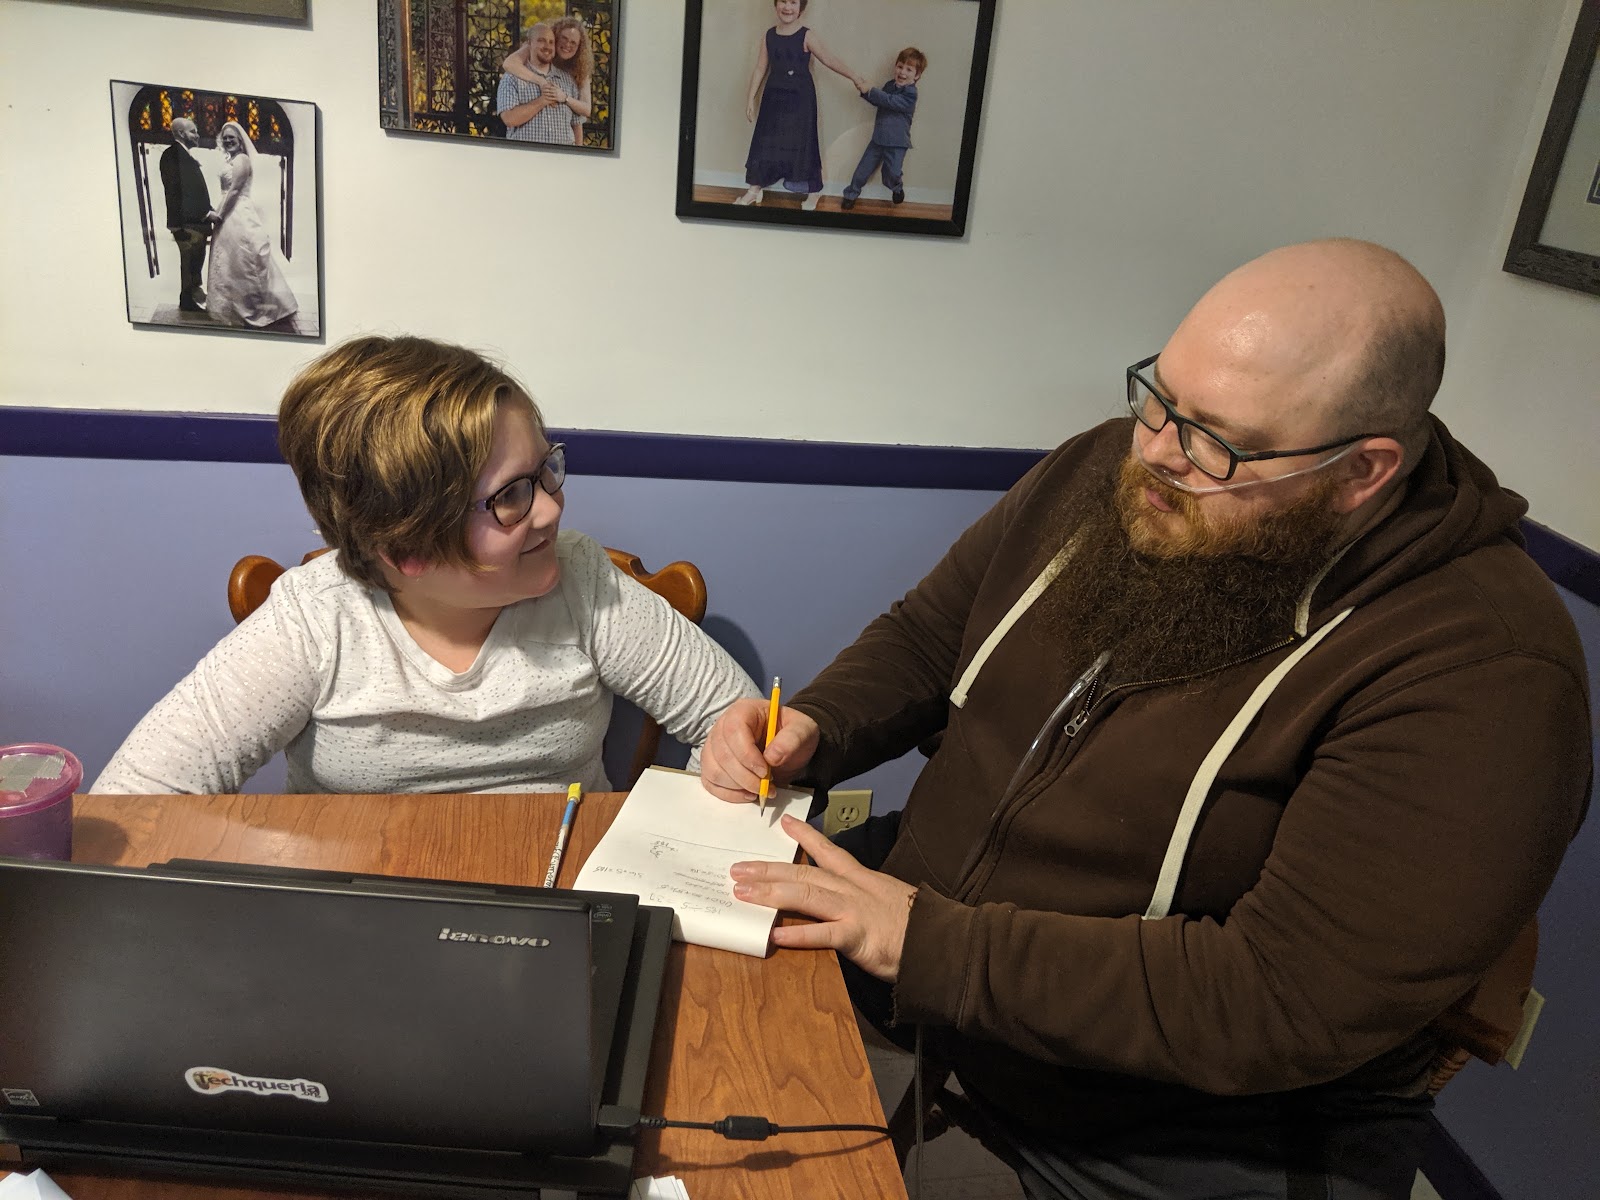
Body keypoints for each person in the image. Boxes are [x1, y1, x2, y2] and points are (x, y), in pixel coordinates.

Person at [700, 240, 1592, 1198]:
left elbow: (1281, 997)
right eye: (1157, 398)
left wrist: (930, 946)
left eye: (1218, 440)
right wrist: (819, 726)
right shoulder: (1116, 469)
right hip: (921, 979)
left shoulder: (1488, 671)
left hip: (1146, 1133)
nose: (1157, 452)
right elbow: (931, 636)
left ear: (1362, 470)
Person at [92, 336, 760, 796]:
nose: (554, 510)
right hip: (362, 928)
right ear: (406, 551)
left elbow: (739, 721)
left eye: (545, 470)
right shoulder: (316, 618)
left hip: (562, 902)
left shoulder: (585, 583)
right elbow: (139, 794)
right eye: (511, 498)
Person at [735, 0, 864, 210]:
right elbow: (760, 68)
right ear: (776, 5)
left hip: (800, 101)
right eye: (783, 2)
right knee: (765, 143)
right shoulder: (768, 36)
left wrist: (855, 77)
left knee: (804, 143)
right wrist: (750, 98)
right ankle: (754, 189)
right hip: (773, 99)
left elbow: (829, 59)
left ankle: (814, 191)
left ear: (801, 7)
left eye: (793, 2)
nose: (788, 7)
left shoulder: (806, 35)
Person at [205, 120, 298, 329]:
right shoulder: (231, 160)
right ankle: (229, 305)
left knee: (244, 259)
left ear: (240, 140)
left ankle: (253, 307)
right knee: (230, 261)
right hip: (229, 210)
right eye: (225, 137)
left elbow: (235, 190)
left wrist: (220, 214)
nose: (228, 140)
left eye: (232, 137)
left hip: (238, 212)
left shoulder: (242, 159)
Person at [841, 47, 925, 211]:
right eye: (900, 66)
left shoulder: (911, 94)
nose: (902, 72)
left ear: (917, 76)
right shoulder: (889, 85)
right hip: (878, 139)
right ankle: (850, 195)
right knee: (861, 171)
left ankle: (896, 188)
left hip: (897, 143)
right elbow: (880, 100)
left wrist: (871, 90)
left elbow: (889, 101)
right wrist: (863, 90)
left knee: (891, 174)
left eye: (909, 69)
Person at [502, 14, 594, 146]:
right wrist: (542, 82)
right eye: (564, 38)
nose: (568, 44)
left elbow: (585, 111)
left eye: (573, 42)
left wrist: (564, 97)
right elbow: (509, 64)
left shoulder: (578, 71)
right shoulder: (538, 46)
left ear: (579, 47)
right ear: (555, 37)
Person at [158, 117, 212, 312]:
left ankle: (193, 298)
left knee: (195, 263)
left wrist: (210, 209)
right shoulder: (171, 155)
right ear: (181, 133)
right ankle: (187, 301)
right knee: (189, 263)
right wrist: (203, 214)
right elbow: (175, 192)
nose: (197, 135)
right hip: (187, 224)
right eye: (193, 131)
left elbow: (195, 190)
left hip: (196, 223)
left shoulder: (184, 154)